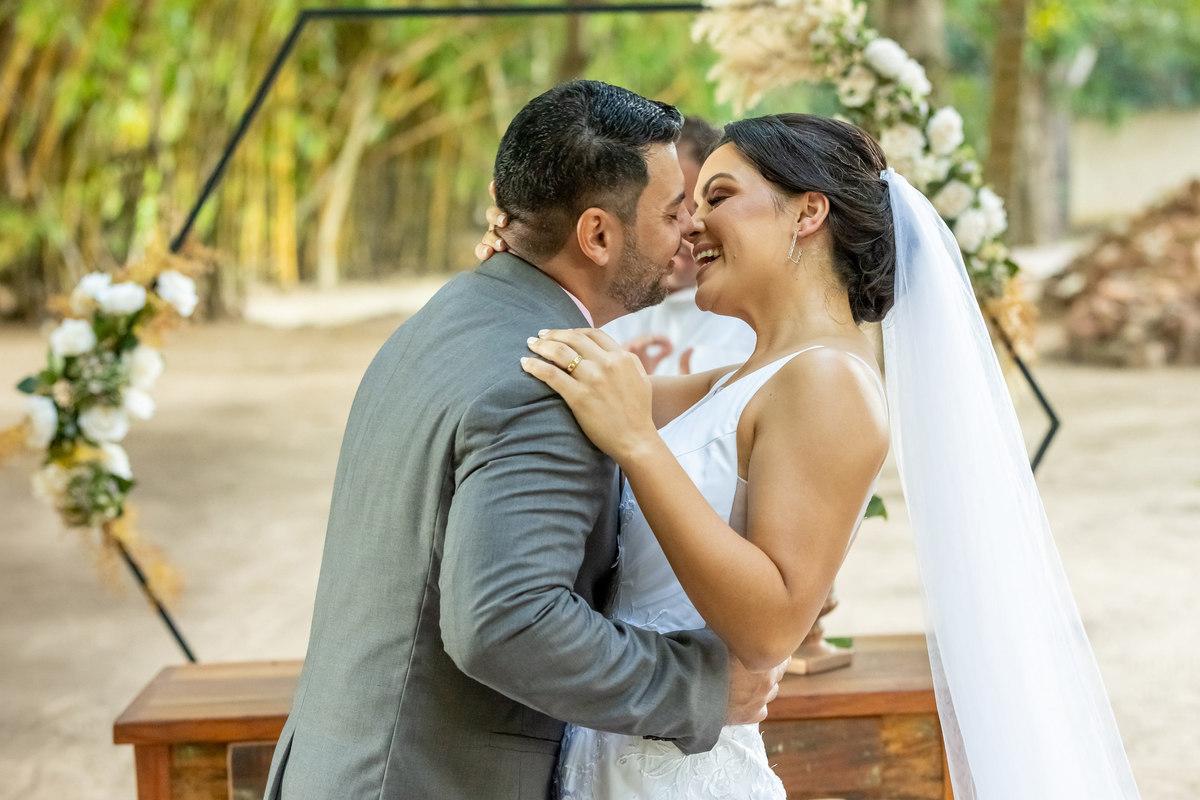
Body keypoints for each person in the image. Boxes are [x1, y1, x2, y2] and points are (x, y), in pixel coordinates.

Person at [511, 114, 1140, 798]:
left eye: (717, 198)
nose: (692, 227)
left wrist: (637, 444)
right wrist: (526, 258)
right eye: (689, 208)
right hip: (616, 759)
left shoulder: (831, 381)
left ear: (808, 212)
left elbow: (771, 626)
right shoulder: (743, 379)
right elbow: (591, 382)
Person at [262, 81, 784, 800]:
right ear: (598, 235)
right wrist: (700, 688)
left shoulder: (450, 317)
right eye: (671, 212)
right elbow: (508, 622)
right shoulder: (541, 384)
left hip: (346, 766)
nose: (688, 231)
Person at [602, 116, 757, 375]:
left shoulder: (748, 322)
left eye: (704, 207)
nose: (688, 228)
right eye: (670, 212)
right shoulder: (599, 307)